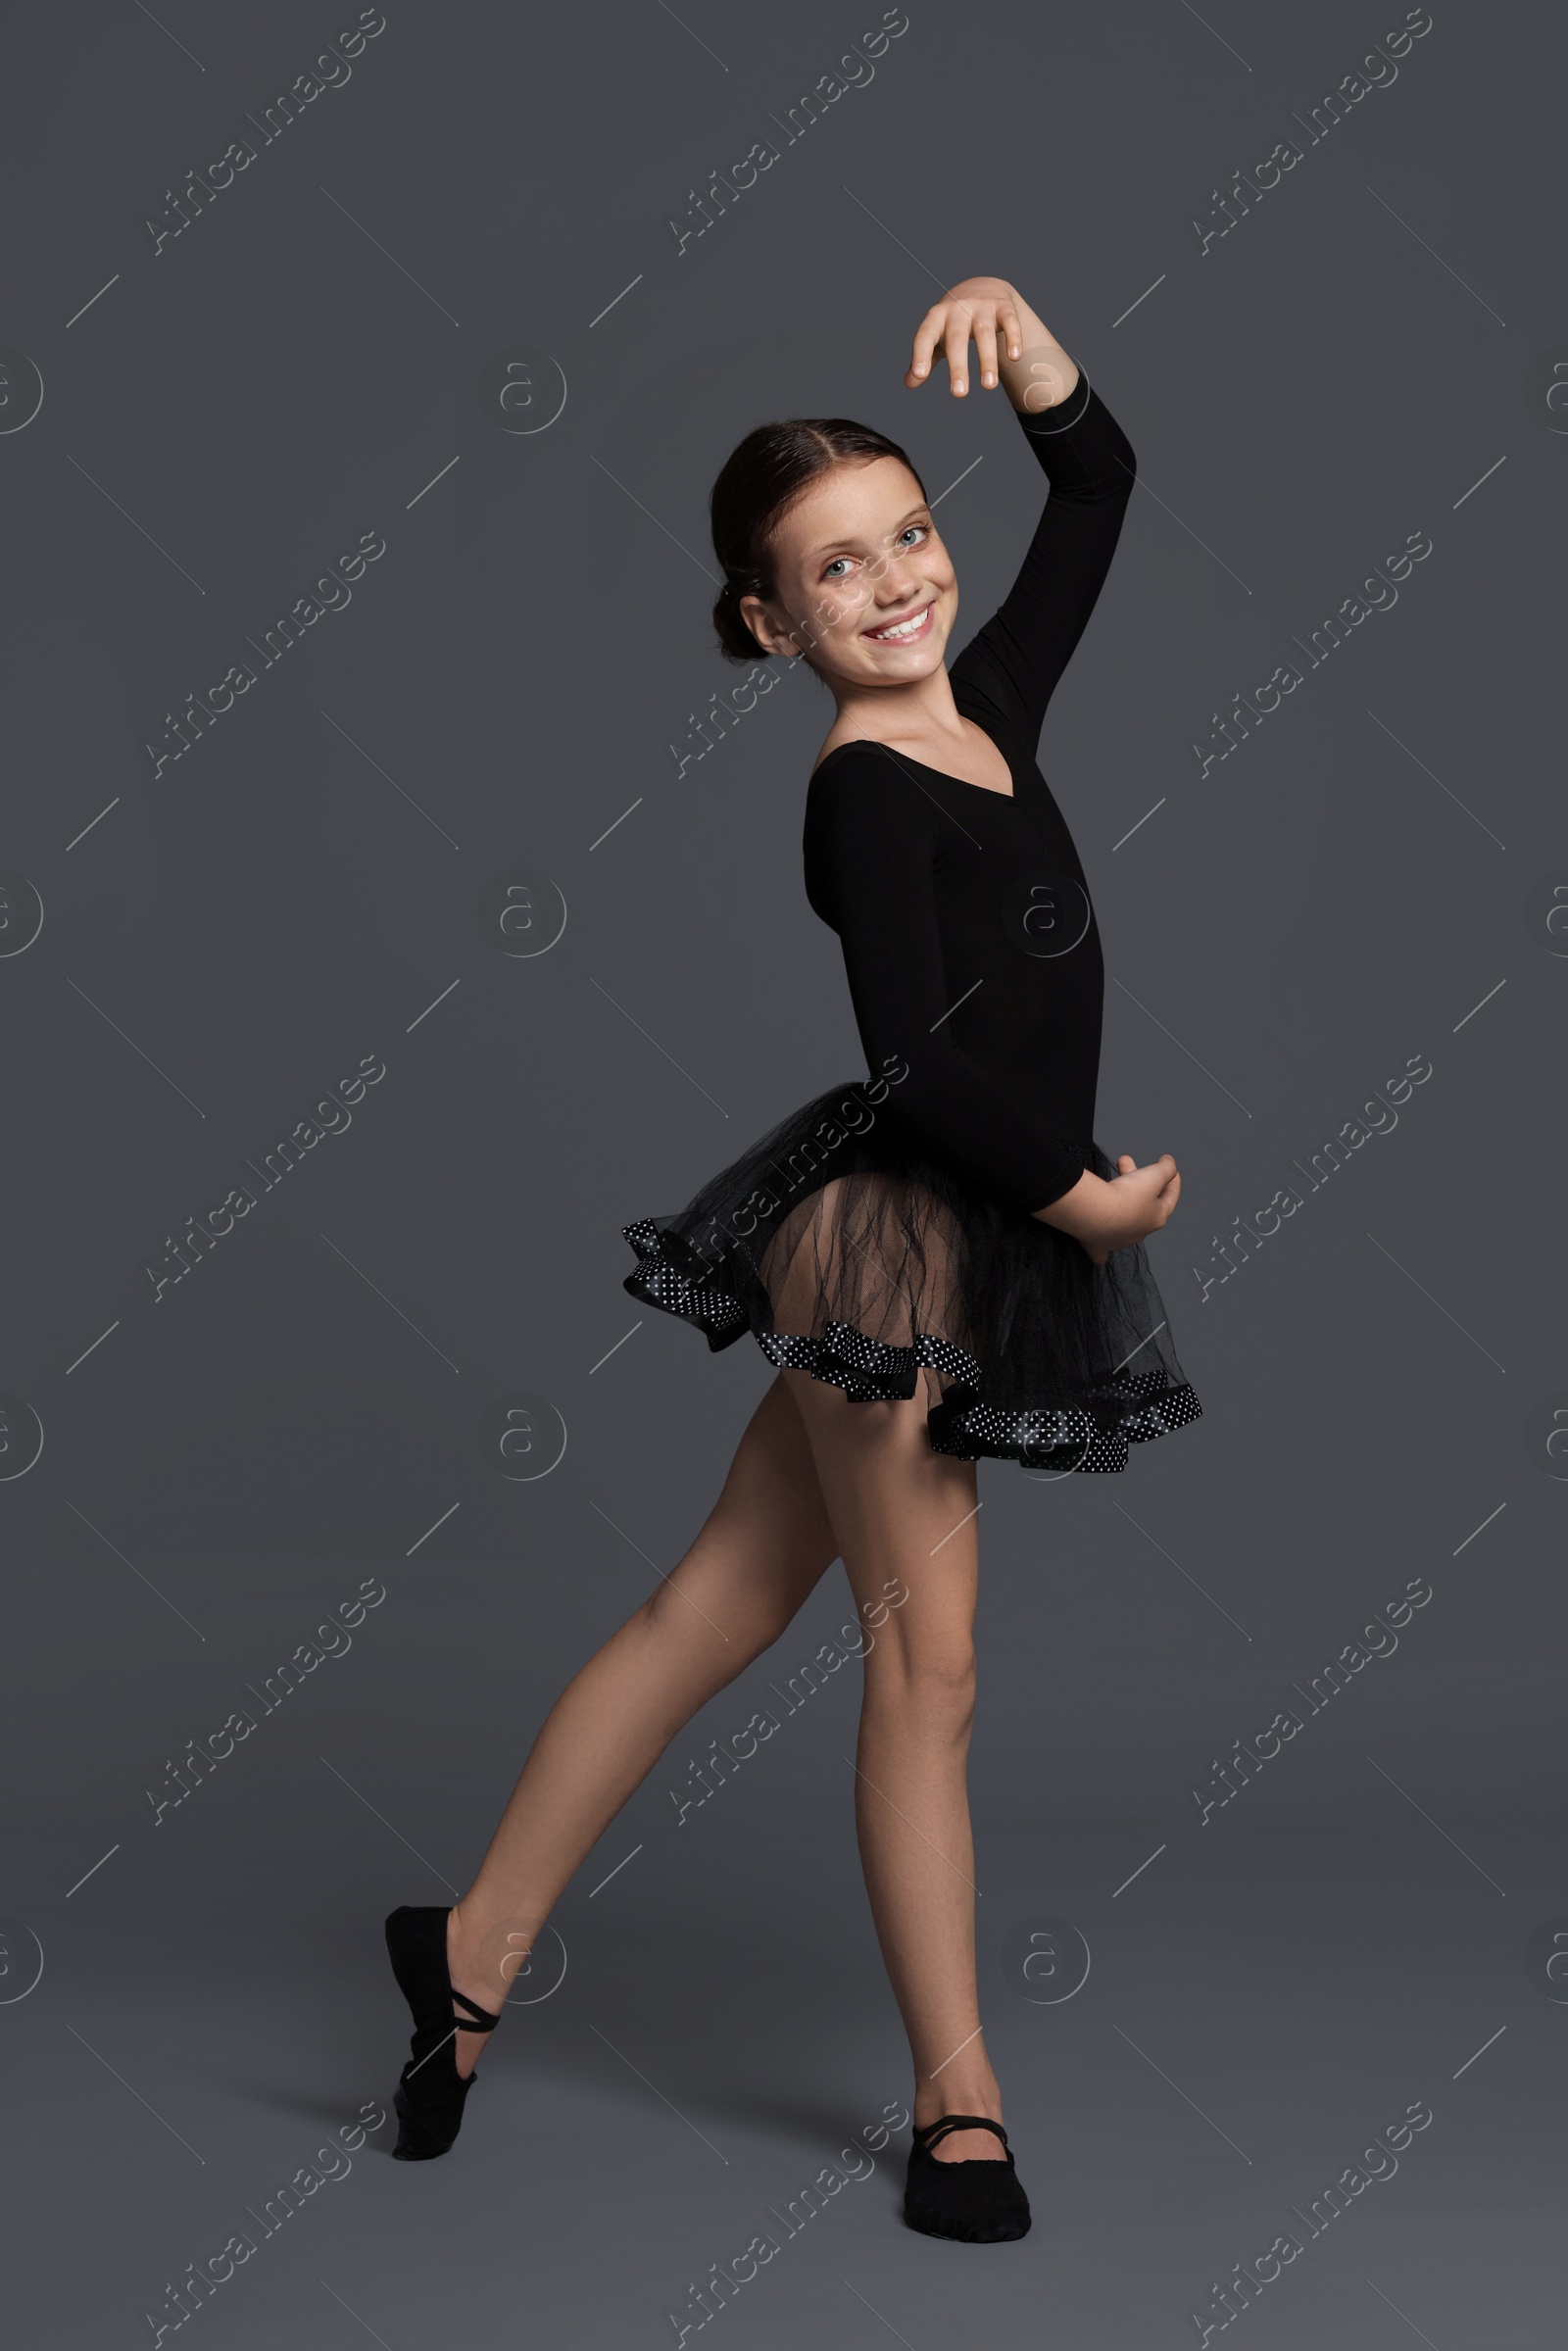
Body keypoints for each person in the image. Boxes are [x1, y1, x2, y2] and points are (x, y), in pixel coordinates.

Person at [384, 275, 1201, 2243]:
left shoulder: (987, 707)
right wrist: (1077, 1198)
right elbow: (911, 1062)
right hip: (907, 1242)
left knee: (707, 1612)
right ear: (772, 625)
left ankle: (469, 1949)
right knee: (929, 1671)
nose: (898, 581)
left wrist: (1036, 361)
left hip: (940, 1234)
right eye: (839, 570)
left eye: (911, 534)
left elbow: (1093, 493)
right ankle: (956, 2106)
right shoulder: (855, 793)